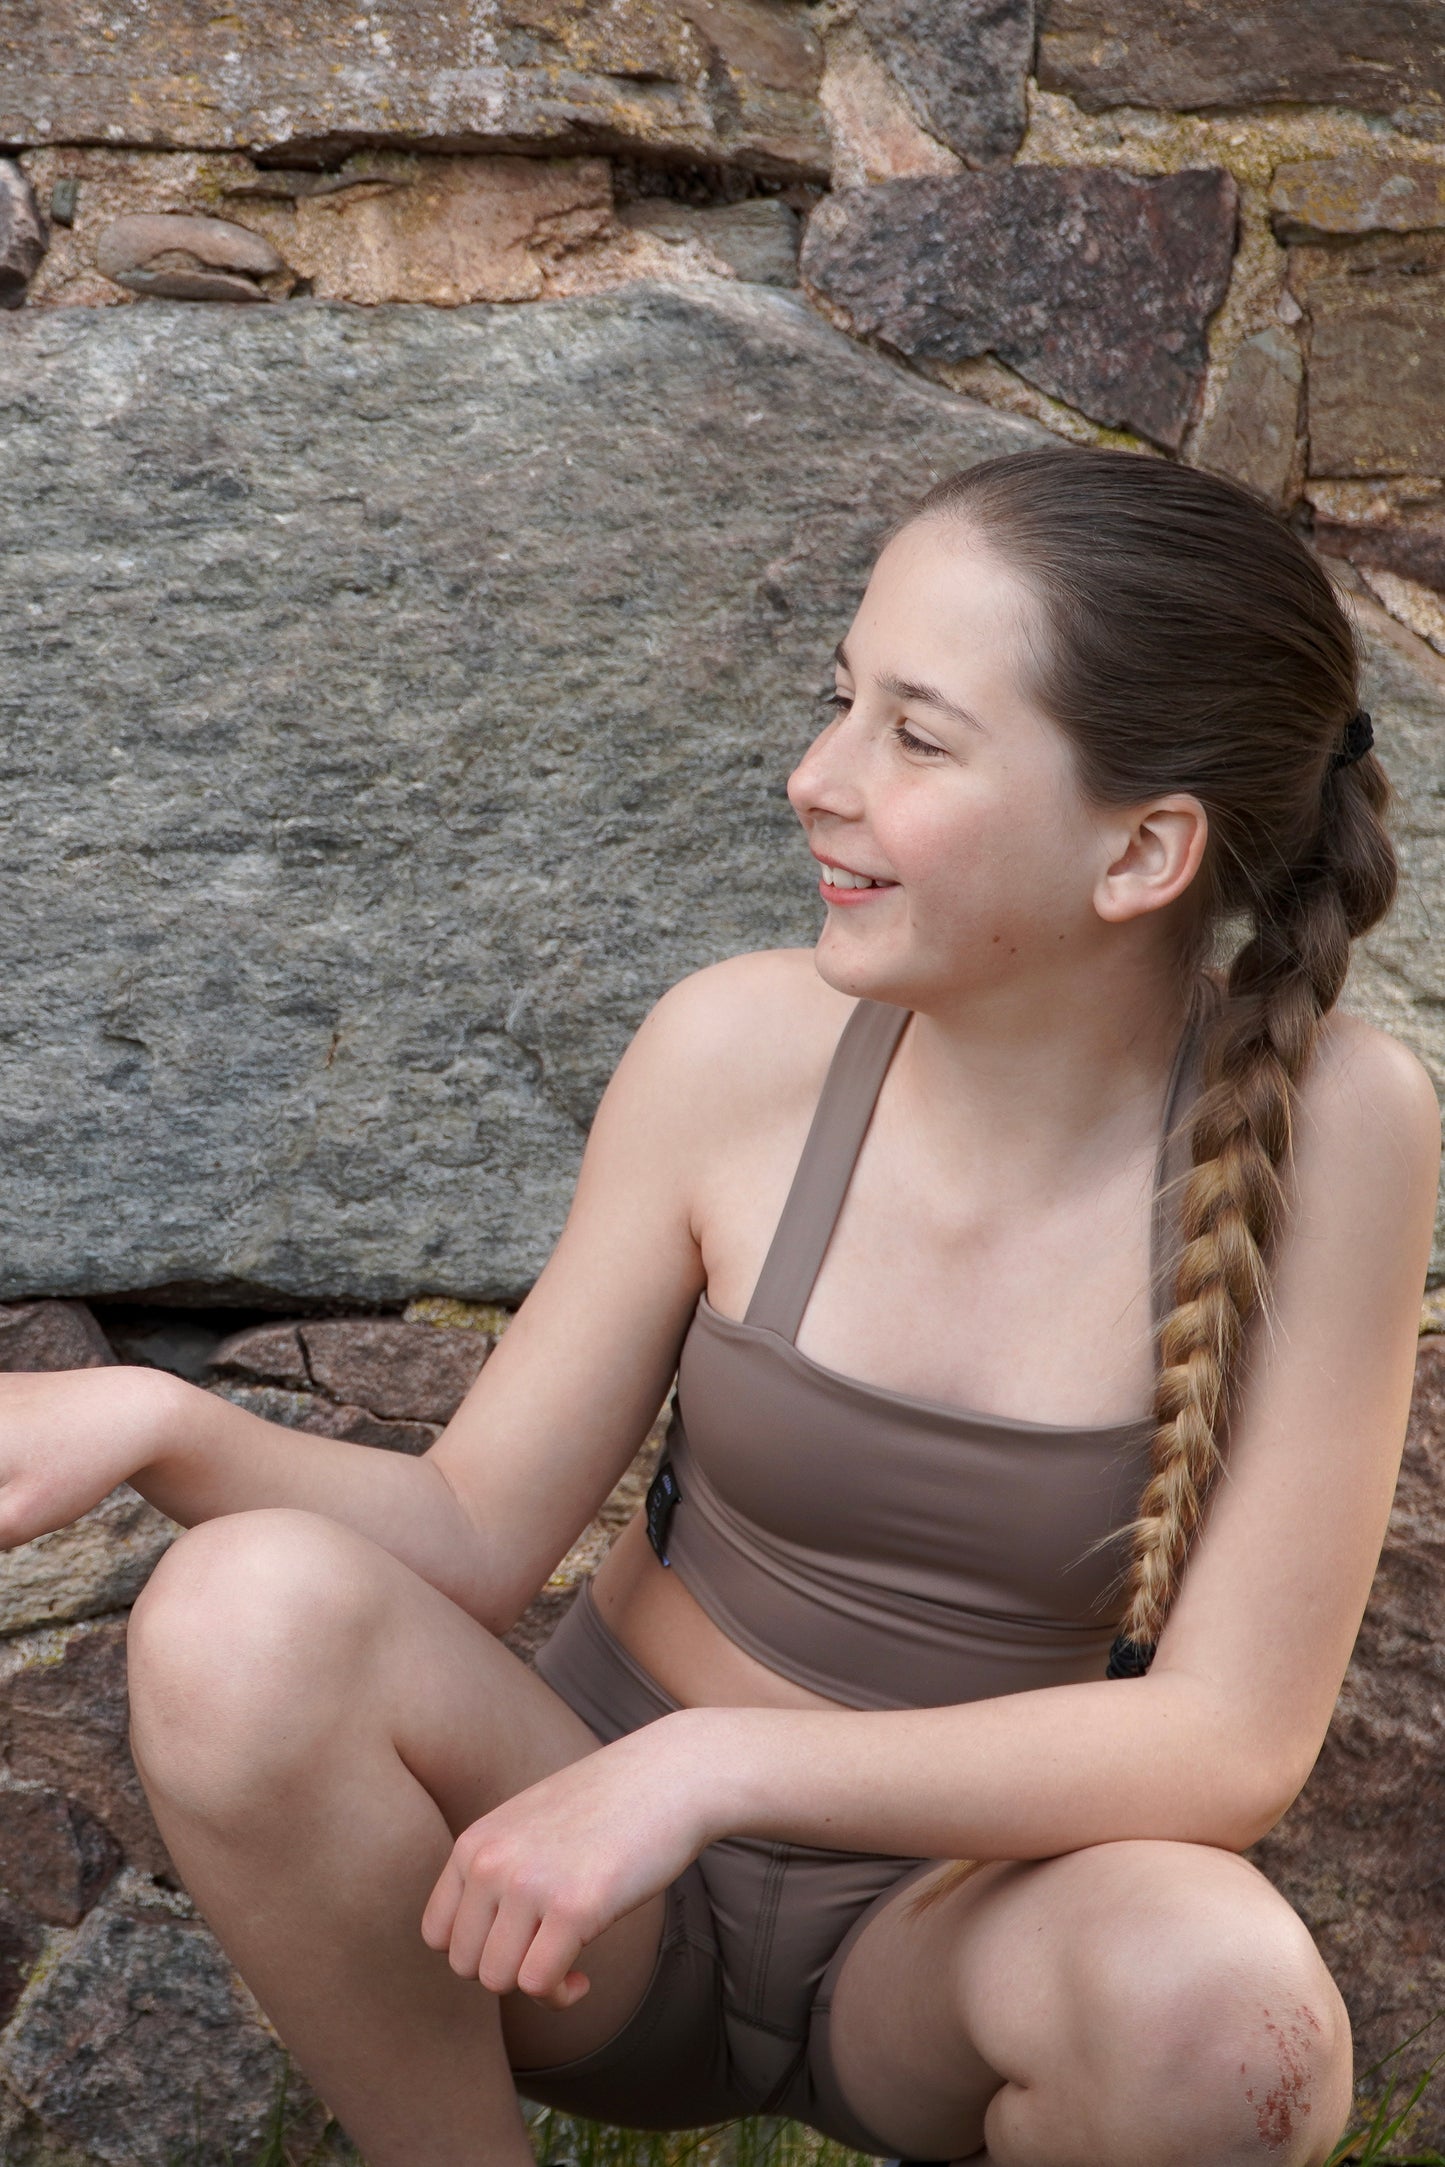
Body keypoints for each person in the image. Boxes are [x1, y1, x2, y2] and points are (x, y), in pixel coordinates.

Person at [2, 444, 1438, 2167]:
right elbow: (466, 1532)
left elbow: (1225, 1746)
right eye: (837, 701)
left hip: (962, 1931)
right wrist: (163, 1421)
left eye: (913, 736)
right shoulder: (735, 1050)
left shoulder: (1336, 1127)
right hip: (588, 1908)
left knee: (1232, 2019)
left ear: (1139, 850)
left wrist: (714, 1773)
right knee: (241, 1618)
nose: (811, 778)